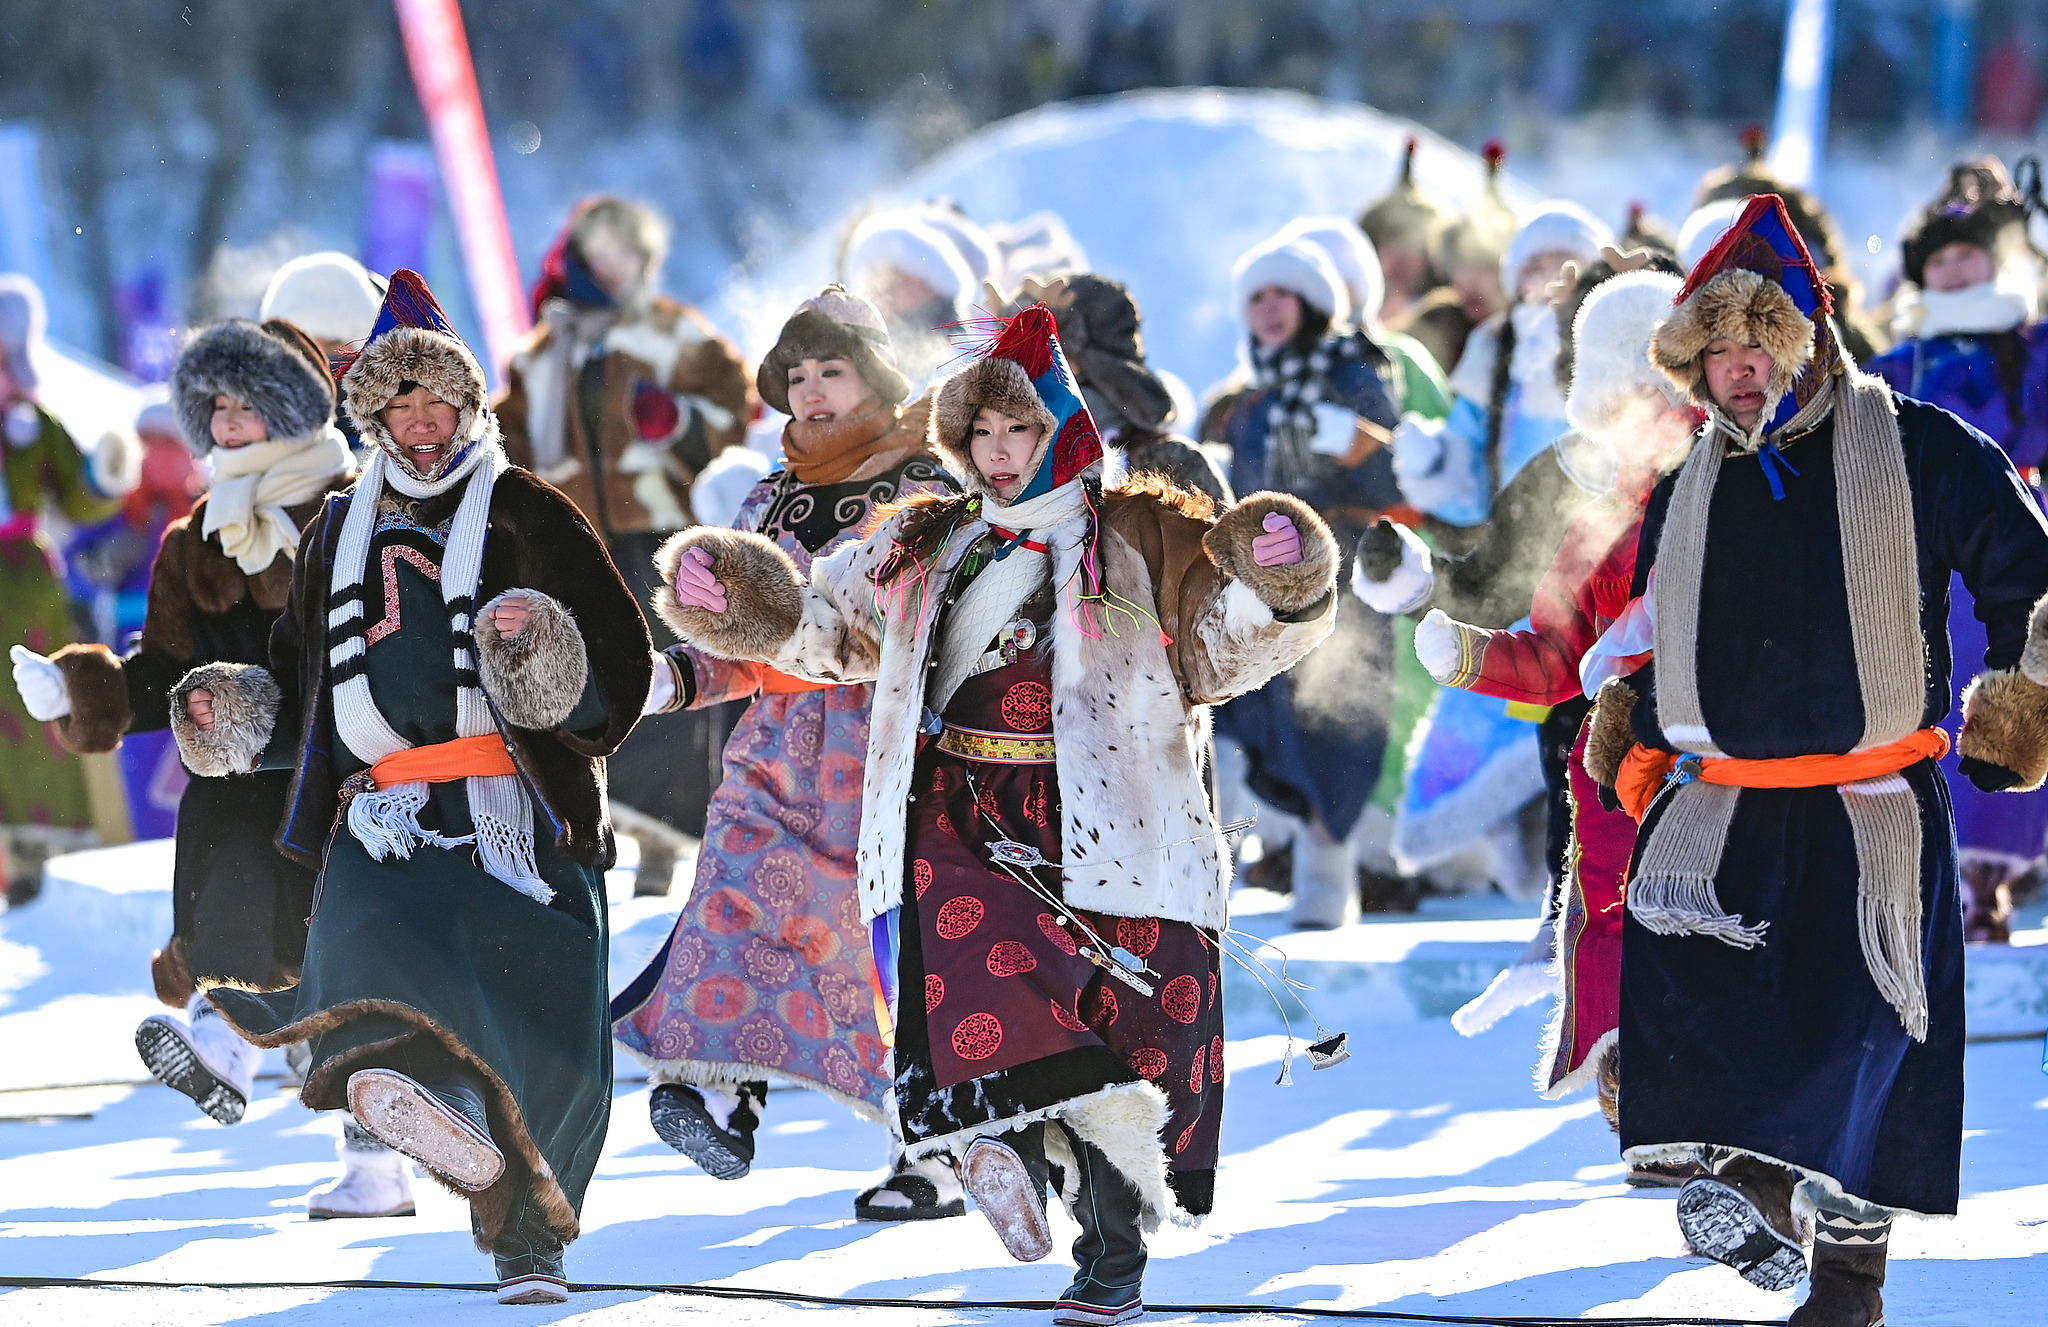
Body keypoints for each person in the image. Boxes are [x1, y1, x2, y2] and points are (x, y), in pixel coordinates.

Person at [658, 304, 1338, 1325]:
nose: (996, 451)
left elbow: (1218, 648)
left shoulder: (1143, 530)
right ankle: (998, 1148)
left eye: (1015, 430)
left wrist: (1277, 586)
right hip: (962, 819)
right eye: (978, 434)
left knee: (1131, 1050)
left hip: (1119, 823)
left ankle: (1108, 1257)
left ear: (1061, 427)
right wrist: (745, 605)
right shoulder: (924, 540)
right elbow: (827, 632)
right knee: (988, 1000)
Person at [1591, 195, 2048, 1326]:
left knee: (1861, 1055)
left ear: (1808, 341)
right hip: (1723, 818)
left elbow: (2029, 583)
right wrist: (1635, 725)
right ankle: (1741, 1182)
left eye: (1759, 345)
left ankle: (1843, 1286)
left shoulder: (1923, 448)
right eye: (1716, 353)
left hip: (1870, 809)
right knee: (1697, 1019)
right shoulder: (1683, 486)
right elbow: (1669, 636)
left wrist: (2017, 704)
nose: (1739, 372)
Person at [170, 271, 652, 1304]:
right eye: (399, 406)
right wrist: (237, 715)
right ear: (374, 415)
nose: (422, 425)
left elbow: (622, 665)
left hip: (516, 812)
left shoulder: (528, 511)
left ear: (470, 405)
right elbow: (305, 685)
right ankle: (422, 1101)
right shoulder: (336, 530)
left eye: (437, 403)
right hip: (386, 815)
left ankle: (529, 1237)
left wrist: (549, 652)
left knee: (537, 1025)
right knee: (366, 961)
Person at [8, 317, 389, 1206]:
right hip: (245, 776)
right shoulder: (194, 537)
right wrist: (81, 689)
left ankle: (366, 1154)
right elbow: (164, 666)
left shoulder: (352, 508)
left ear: (289, 408)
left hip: (356, 762)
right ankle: (225, 1037)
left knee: (369, 962)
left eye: (245, 402)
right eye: (214, 402)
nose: (225, 419)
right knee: (265, 903)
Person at [610, 286, 965, 1220]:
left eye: (831, 371)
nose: (811, 392)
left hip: (889, 751)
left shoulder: (927, 488)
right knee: (733, 896)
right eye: (796, 376)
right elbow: (747, 640)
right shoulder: (769, 500)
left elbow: (909, 631)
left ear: (876, 376)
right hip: (774, 750)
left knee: (895, 950)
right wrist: (672, 676)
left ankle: (930, 1151)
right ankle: (726, 1096)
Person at [1358, 266, 1699, 1169]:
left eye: (1656, 384)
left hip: (1726, 756)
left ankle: (1725, 1113)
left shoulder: (1743, 481)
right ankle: (1651, 1102)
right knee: (1627, 925)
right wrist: (1465, 653)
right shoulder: (1594, 514)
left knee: (1722, 925)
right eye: (1622, 388)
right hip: (1627, 765)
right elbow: (1556, 654)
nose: (1643, 405)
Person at [497, 196, 750, 897]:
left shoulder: (677, 336)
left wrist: (679, 422)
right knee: (588, 680)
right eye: (600, 251)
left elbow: (741, 414)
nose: (613, 264)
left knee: (659, 679)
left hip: (660, 538)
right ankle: (596, 824)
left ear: (645, 260)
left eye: (626, 252)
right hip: (573, 541)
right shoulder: (543, 351)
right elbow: (504, 437)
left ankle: (667, 840)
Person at [1199, 232, 1402, 928]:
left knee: (1339, 719)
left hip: (1345, 575)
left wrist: (1356, 445)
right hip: (1264, 583)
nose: (1269, 308)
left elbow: (1396, 474)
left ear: (1312, 301)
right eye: (1256, 296)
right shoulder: (1248, 400)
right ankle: (1236, 863)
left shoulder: (1354, 372)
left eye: (1281, 292)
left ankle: (1328, 870)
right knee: (1260, 714)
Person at [1868, 161, 2048, 940]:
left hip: (2019, 530)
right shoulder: (1899, 360)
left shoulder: (2032, 342)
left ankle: (2000, 874)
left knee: (2021, 688)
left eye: (1966, 254)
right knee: (1940, 697)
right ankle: (1953, 878)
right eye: (1938, 260)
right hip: (1930, 553)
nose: (1954, 268)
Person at [0, 274, 123, 904]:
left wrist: (107, 471)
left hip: (23, 579)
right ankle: (13, 859)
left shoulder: (35, 423)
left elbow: (81, 499)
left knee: (39, 703)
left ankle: (57, 853)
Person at [1358, 136, 1454, 331]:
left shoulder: (1448, 320)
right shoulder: (1352, 310)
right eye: (1390, 246)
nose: (1400, 260)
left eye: (1411, 247)